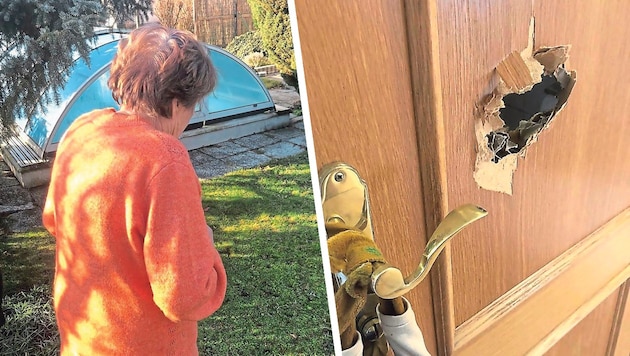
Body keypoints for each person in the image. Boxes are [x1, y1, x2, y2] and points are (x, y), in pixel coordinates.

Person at [42, 23, 227, 355]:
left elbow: (55, 220)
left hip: (82, 336)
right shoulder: (166, 160)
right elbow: (183, 296)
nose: (191, 115)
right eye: (193, 105)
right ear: (174, 103)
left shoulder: (80, 130)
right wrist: (207, 251)